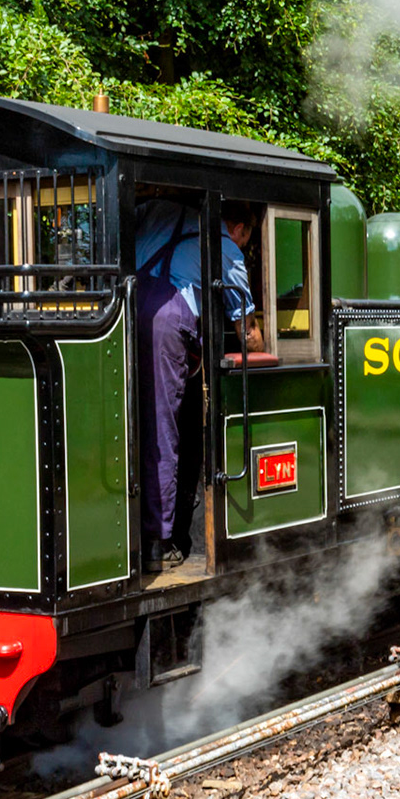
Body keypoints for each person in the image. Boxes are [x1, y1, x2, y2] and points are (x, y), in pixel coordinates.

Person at [134, 199, 263, 571]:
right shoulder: (226, 249)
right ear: (240, 229)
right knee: (164, 430)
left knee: (134, 425)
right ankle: (159, 541)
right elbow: (248, 332)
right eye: (247, 240)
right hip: (165, 329)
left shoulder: (160, 211)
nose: (242, 247)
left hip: (126, 313)